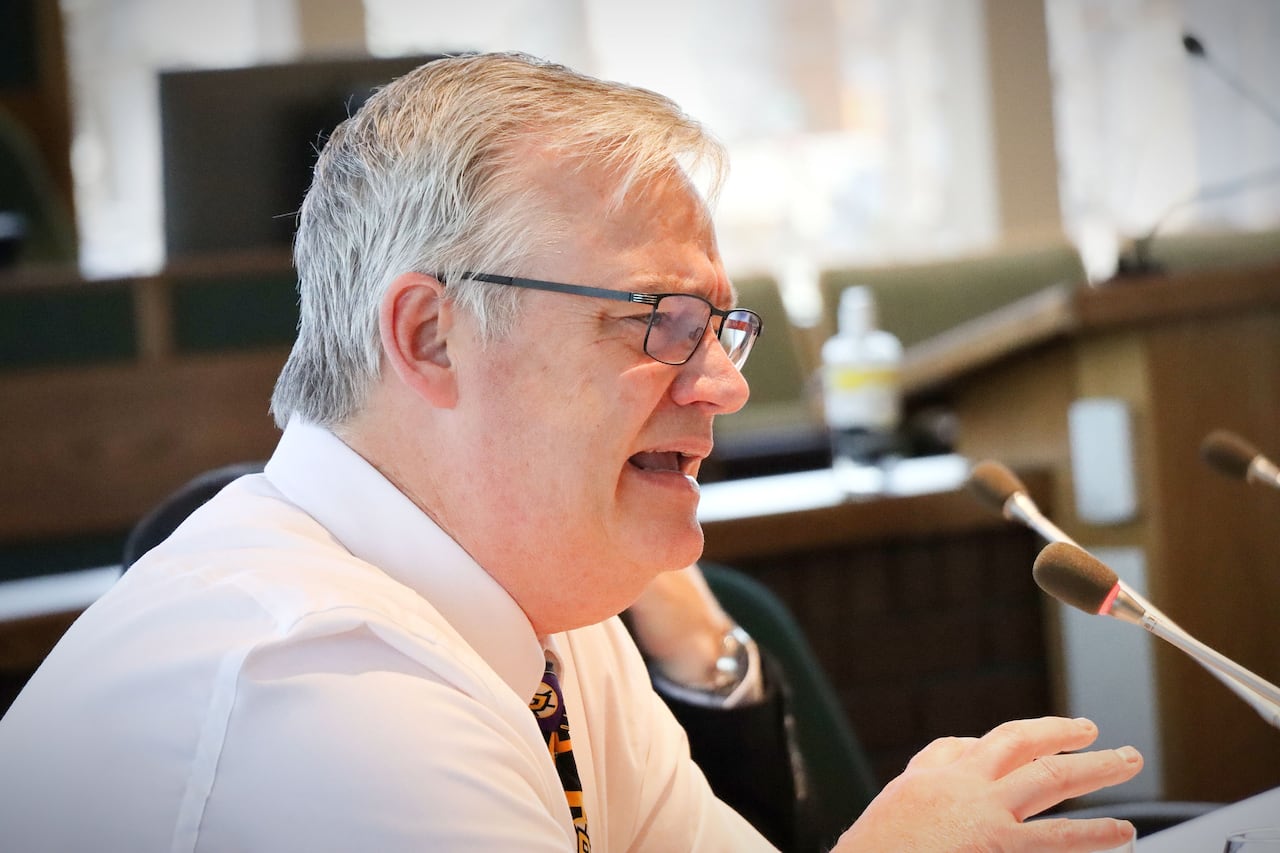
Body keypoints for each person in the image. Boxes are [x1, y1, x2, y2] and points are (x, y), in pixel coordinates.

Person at [0, 52, 1142, 851]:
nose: (726, 382)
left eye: (716, 325)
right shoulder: (315, 681)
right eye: (655, 319)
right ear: (430, 335)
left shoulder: (548, 611)